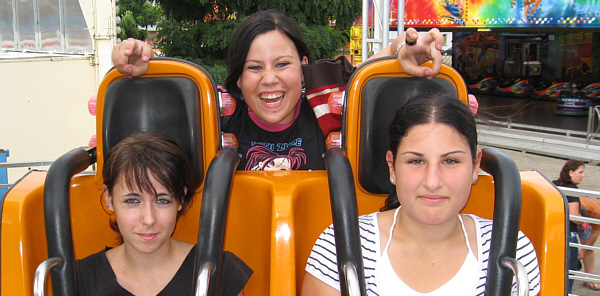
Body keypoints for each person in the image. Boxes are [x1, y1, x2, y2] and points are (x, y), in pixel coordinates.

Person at [298, 92, 540, 296]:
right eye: (416, 161)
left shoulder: (509, 251)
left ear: (476, 165)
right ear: (392, 166)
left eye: (450, 161)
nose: (433, 181)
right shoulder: (340, 245)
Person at [111, 10, 445, 171]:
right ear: (238, 80)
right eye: (254, 68)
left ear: (303, 67)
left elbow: (370, 77)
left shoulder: (328, 110)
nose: (269, 79)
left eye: (282, 64)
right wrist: (143, 64)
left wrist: (405, 47)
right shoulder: (216, 121)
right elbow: (171, 107)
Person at [58, 132, 254, 296]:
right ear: (109, 198)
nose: (148, 219)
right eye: (132, 201)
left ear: (181, 200)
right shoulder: (85, 277)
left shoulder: (218, 272)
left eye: (162, 200)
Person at [553, 159, 585, 293]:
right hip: (568, 236)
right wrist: (584, 221)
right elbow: (573, 215)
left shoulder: (553, 185)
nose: (583, 176)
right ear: (571, 172)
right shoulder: (572, 191)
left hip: (554, 234)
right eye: (581, 172)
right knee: (567, 276)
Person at [579, 197, 600, 289]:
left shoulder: (596, 212)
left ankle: (588, 278)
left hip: (586, 218)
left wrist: (584, 250)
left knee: (589, 248)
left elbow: (595, 233)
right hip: (568, 216)